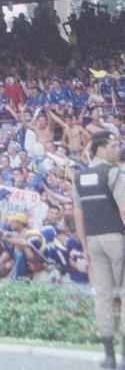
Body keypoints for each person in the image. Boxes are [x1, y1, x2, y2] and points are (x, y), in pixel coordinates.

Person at [73, 131, 125, 368]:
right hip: (117, 238)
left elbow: (78, 214)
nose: (118, 149)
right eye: (114, 145)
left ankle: (109, 356)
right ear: (101, 148)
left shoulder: (79, 176)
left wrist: (84, 246)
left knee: (102, 296)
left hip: (93, 241)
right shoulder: (113, 172)